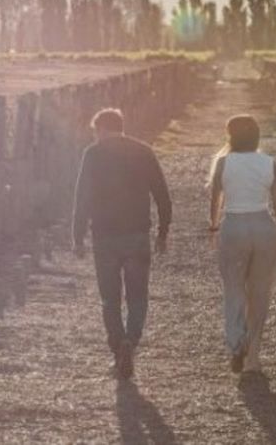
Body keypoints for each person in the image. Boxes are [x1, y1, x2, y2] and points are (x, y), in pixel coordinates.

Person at [72, 108, 172, 380]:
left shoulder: (92, 154)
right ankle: (131, 340)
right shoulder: (143, 151)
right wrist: (163, 231)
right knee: (138, 296)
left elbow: (82, 197)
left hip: (104, 236)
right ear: (121, 126)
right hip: (137, 234)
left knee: (110, 298)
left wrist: (77, 236)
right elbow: (161, 194)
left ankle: (118, 347)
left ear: (101, 128)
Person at [208, 114, 276, 375]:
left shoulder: (223, 162)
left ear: (231, 136)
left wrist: (214, 226)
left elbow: (215, 198)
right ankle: (254, 355)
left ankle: (236, 342)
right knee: (260, 293)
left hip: (234, 225)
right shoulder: (270, 163)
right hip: (263, 226)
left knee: (234, 288)